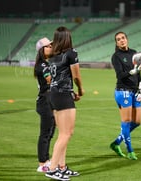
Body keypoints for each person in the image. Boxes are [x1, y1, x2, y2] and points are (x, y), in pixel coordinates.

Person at [45, 26, 84, 181]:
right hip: (63, 95)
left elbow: (59, 77)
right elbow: (76, 76)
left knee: (64, 133)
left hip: (55, 94)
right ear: (68, 37)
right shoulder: (71, 53)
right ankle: (53, 169)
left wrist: (70, 91)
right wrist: (80, 90)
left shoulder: (53, 55)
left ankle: (62, 167)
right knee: (66, 134)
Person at [110, 31, 141, 160]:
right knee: (126, 122)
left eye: (123, 38)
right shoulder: (116, 56)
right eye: (118, 39)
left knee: (137, 122)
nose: (121, 40)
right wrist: (134, 70)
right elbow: (120, 75)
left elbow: (139, 72)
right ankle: (130, 151)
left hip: (135, 90)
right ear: (116, 43)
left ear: (127, 39)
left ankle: (116, 143)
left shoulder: (134, 53)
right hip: (123, 91)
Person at [34, 37, 55, 173]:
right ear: (42, 50)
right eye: (48, 46)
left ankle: (47, 160)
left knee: (51, 132)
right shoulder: (42, 65)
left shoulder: (48, 63)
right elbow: (50, 79)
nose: (51, 47)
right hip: (45, 101)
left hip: (51, 100)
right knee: (45, 133)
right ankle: (42, 163)